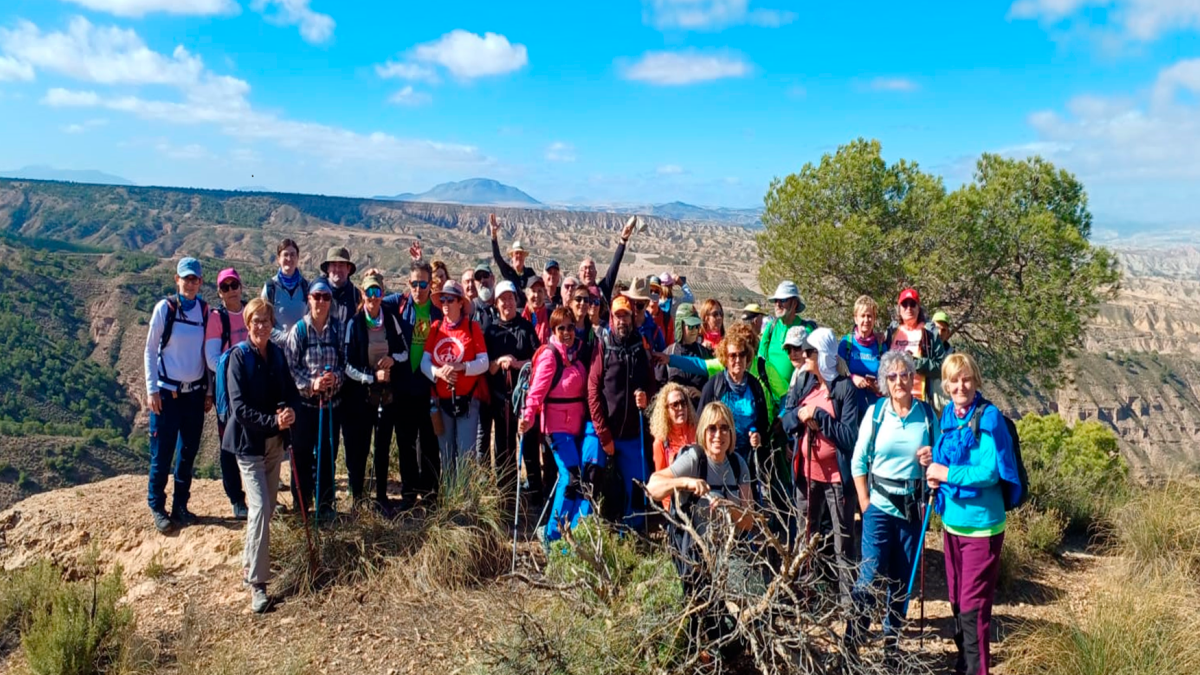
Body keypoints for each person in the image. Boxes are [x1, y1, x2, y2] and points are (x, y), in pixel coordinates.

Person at [919, 353, 1020, 675]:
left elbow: (989, 472)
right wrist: (931, 459)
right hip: (952, 525)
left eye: (966, 379)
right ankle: (964, 665)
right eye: (954, 380)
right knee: (957, 602)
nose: (960, 386)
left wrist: (945, 473)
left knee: (973, 610)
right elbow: (946, 458)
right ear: (946, 385)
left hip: (982, 529)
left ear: (976, 381)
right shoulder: (949, 415)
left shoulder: (988, 418)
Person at [846, 351, 938, 653]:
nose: (899, 381)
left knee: (902, 581)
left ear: (914, 378)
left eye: (905, 374)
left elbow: (941, 458)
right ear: (885, 381)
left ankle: (891, 643)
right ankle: (853, 640)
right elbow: (858, 462)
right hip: (879, 508)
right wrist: (865, 503)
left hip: (913, 508)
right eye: (893, 376)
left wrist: (931, 458)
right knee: (869, 576)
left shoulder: (926, 416)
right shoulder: (876, 413)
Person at [646, 402, 753, 658]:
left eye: (725, 429)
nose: (718, 435)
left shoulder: (738, 465)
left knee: (738, 639)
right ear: (704, 431)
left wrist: (728, 507)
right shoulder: (695, 458)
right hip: (691, 558)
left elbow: (749, 521)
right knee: (693, 626)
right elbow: (653, 486)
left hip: (726, 557)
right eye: (713, 429)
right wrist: (686, 482)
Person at [222, 298, 298, 613]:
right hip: (248, 445)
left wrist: (290, 410)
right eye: (256, 321)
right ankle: (257, 585)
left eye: (266, 321)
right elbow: (238, 409)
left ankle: (248, 563)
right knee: (260, 508)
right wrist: (273, 422)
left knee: (265, 512)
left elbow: (289, 390)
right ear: (248, 323)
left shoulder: (277, 354)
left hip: (273, 445)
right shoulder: (238, 359)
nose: (262, 326)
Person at [781, 326, 862, 604]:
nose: (804, 355)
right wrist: (802, 417)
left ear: (824, 354)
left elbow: (850, 437)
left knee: (843, 542)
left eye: (810, 352)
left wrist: (819, 416)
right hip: (807, 474)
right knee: (807, 537)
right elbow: (787, 419)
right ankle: (807, 598)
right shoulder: (805, 381)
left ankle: (848, 605)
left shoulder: (845, 388)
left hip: (837, 478)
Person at [144, 257, 210, 534]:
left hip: (194, 395)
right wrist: (152, 389)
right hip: (167, 394)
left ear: (200, 282)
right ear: (177, 280)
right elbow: (149, 350)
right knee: (162, 454)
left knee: (187, 453)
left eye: (195, 279)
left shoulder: (205, 312)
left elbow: (208, 353)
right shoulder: (166, 308)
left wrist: (207, 391)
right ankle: (157, 507)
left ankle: (180, 506)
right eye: (186, 278)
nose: (190, 283)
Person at [588, 295, 658, 531]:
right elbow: (593, 390)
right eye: (618, 316)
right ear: (612, 318)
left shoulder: (640, 345)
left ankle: (632, 533)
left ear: (631, 318)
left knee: (639, 484)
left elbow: (651, 383)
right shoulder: (603, 346)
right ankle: (592, 528)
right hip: (606, 433)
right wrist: (604, 434)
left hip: (631, 434)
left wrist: (646, 396)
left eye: (625, 315)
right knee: (592, 478)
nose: (622, 321)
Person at [518, 308, 590, 540]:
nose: (567, 332)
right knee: (570, 476)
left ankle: (570, 533)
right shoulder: (550, 356)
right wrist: (528, 417)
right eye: (562, 328)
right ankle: (551, 535)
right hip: (557, 429)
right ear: (553, 330)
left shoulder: (576, 353)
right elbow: (536, 392)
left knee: (577, 478)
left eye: (570, 327)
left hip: (576, 427)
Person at [344, 271, 410, 512]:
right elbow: (347, 365)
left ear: (382, 294)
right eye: (369, 292)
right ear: (363, 294)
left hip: (387, 395)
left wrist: (392, 360)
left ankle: (381, 496)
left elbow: (404, 351)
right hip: (361, 398)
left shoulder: (390, 320)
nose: (373, 297)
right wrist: (372, 376)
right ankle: (358, 498)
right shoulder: (355, 323)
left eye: (377, 292)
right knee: (361, 448)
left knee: (382, 447)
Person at [284, 277, 345, 518]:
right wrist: (312, 384)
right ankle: (302, 503)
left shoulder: (339, 329)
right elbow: (290, 368)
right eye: (316, 296)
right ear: (308, 299)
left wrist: (335, 379)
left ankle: (326, 504)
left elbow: (345, 362)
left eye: (326, 297)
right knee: (301, 454)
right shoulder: (298, 331)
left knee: (328, 454)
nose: (321, 301)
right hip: (305, 405)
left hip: (332, 404)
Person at [382, 261, 442, 504]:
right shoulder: (398, 305)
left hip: (428, 388)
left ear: (430, 285)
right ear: (408, 284)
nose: (418, 288)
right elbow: (372, 300)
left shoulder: (437, 313)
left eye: (423, 284)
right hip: (403, 387)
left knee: (429, 442)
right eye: (414, 283)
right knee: (406, 442)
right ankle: (408, 492)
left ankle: (430, 493)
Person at [422, 281, 489, 477]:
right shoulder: (436, 328)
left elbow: (484, 362)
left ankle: (465, 502)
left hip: (468, 401)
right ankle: (451, 499)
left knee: (465, 454)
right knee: (447, 454)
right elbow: (425, 362)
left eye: (450, 299)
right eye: (443, 299)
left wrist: (462, 367)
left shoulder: (471, 327)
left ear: (460, 303)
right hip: (441, 401)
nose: (445, 303)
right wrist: (438, 372)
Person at [484, 281, 541, 497]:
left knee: (528, 445)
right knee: (503, 446)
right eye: (502, 299)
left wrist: (519, 364)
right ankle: (506, 491)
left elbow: (537, 361)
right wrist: (500, 361)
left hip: (525, 399)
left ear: (516, 300)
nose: (507, 303)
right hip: (500, 399)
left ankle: (534, 490)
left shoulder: (526, 327)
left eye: (510, 298)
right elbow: (487, 367)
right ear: (496, 303)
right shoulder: (490, 331)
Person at [698, 323, 768, 484]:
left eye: (742, 355)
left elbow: (763, 423)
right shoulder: (714, 386)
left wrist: (759, 436)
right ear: (725, 358)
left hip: (748, 459)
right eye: (732, 355)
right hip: (719, 457)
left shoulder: (755, 386)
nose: (738, 360)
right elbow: (701, 423)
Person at [205, 267, 250, 520]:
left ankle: (262, 497)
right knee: (229, 445)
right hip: (228, 392)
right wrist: (239, 362)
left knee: (259, 444)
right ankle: (236, 498)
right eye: (225, 287)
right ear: (220, 292)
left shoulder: (251, 311)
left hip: (254, 387)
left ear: (241, 286)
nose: (231, 291)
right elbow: (211, 358)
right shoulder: (216, 318)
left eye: (234, 285)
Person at [758, 280, 813, 417]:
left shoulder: (806, 329)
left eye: (783, 300)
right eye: (776, 300)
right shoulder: (771, 327)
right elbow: (761, 359)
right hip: (769, 400)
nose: (778, 304)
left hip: (796, 400)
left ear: (794, 303)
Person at [884, 288, 948, 403]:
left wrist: (915, 363)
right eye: (904, 304)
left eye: (913, 304)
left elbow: (942, 367)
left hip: (920, 400)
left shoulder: (929, 333)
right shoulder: (891, 332)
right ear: (899, 309)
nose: (909, 308)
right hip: (892, 401)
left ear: (919, 308)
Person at [649, 383, 698, 508]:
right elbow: (661, 481)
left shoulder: (699, 431)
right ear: (666, 411)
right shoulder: (660, 442)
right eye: (675, 405)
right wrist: (669, 510)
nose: (680, 408)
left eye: (683, 403)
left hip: (700, 500)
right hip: (677, 504)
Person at [839, 295, 886, 405]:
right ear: (856, 318)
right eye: (862, 316)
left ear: (874, 319)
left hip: (875, 407)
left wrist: (878, 388)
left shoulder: (881, 346)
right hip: (850, 409)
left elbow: (889, 379)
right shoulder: (846, 344)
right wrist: (853, 378)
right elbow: (836, 373)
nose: (866, 320)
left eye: (870, 316)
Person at [578, 216, 638, 301]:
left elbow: (614, 265)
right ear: (579, 274)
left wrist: (623, 240)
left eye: (591, 268)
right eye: (584, 269)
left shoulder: (603, 289)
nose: (587, 271)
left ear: (596, 273)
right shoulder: (575, 295)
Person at [262, 238, 308, 345]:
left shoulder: (305, 286)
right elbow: (263, 322)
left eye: (293, 255)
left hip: (301, 348)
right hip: (277, 350)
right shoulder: (270, 288)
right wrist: (286, 338)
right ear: (278, 259)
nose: (289, 258)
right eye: (285, 255)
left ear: (297, 258)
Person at [658, 302, 711, 395]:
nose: (695, 330)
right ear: (680, 326)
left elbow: (713, 387)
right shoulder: (668, 354)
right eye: (690, 326)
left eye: (697, 326)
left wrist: (701, 394)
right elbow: (658, 389)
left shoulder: (705, 354)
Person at [489, 214, 537, 308]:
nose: (518, 256)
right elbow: (497, 257)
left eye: (520, 253)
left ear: (524, 257)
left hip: (529, 311)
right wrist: (494, 235)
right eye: (516, 254)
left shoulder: (530, 273)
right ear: (512, 257)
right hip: (512, 311)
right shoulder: (508, 272)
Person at [318, 246, 361, 333]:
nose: (337, 269)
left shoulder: (356, 296)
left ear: (348, 269)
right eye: (334, 265)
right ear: (328, 269)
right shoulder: (317, 295)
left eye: (341, 265)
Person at [625, 277, 667, 352]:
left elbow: (662, 357)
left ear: (647, 303)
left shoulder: (654, 331)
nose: (634, 308)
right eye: (631, 303)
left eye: (639, 305)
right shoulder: (621, 324)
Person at [523, 275, 552, 344]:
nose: (536, 295)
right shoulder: (520, 317)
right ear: (527, 295)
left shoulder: (551, 316)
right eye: (533, 291)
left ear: (544, 294)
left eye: (539, 291)